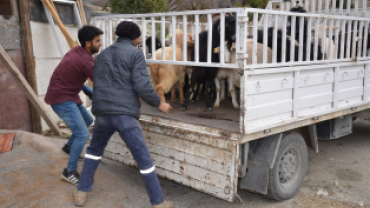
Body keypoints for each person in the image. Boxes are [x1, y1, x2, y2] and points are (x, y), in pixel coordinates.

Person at [73, 21, 173, 208]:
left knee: (93, 152)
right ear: (135, 38)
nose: (141, 39)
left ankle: (81, 192)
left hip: (102, 114)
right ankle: (158, 202)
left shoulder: (101, 55)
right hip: (124, 115)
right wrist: (159, 103)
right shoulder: (135, 54)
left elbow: (103, 82)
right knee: (143, 158)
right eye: (139, 36)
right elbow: (142, 86)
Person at [44, 25, 103, 185]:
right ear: (87, 43)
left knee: (88, 122)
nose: (101, 44)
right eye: (97, 41)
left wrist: (85, 88)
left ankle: (69, 148)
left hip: (66, 95)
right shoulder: (86, 61)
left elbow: (69, 74)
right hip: (62, 100)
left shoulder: (75, 51)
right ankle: (69, 171)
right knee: (83, 134)